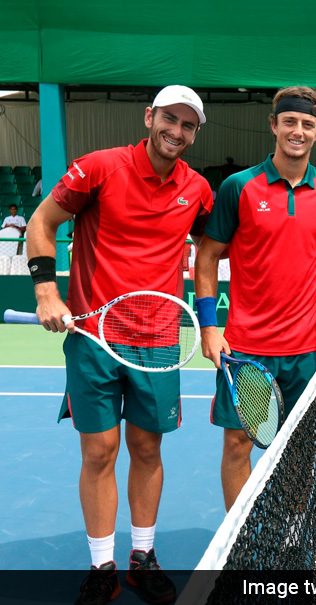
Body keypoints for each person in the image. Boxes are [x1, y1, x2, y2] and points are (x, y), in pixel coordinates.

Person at [25, 85, 213, 605]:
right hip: (93, 339)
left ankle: (142, 557)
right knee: (99, 451)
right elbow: (41, 222)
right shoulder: (99, 168)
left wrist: (211, 321)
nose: (176, 131)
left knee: (147, 449)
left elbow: (212, 250)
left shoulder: (198, 189)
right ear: (149, 117)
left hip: (158, 340)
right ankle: (102, 564)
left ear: (195, 134)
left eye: (188, 125)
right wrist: (46, 292)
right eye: (169, 118)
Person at [194, 86, 316, 512]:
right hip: (245, 346)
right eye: (290, 122)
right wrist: (209, 327)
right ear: (274, 125)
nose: (298, 131)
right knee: (237, 444)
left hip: (308, 346)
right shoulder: (238, 186)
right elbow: (207, 257)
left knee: (300, 448)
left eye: (308, 124)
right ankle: (238, 538)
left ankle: (293, 532)